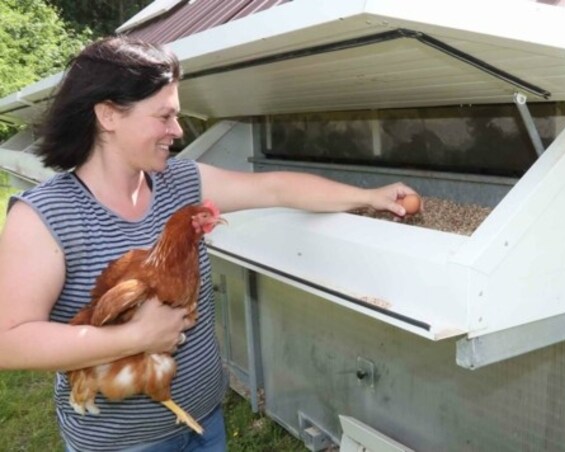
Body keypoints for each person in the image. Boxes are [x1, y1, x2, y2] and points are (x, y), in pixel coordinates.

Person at [0, 36, 417, 451]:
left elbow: (273, 188)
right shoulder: (45, 217)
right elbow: (8, 341)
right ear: (109, 114)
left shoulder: (178, 181)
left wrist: (369, 197)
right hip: (120, 445)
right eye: (164, 117)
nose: (177, 131)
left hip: (203, 422)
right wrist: (134, 338)